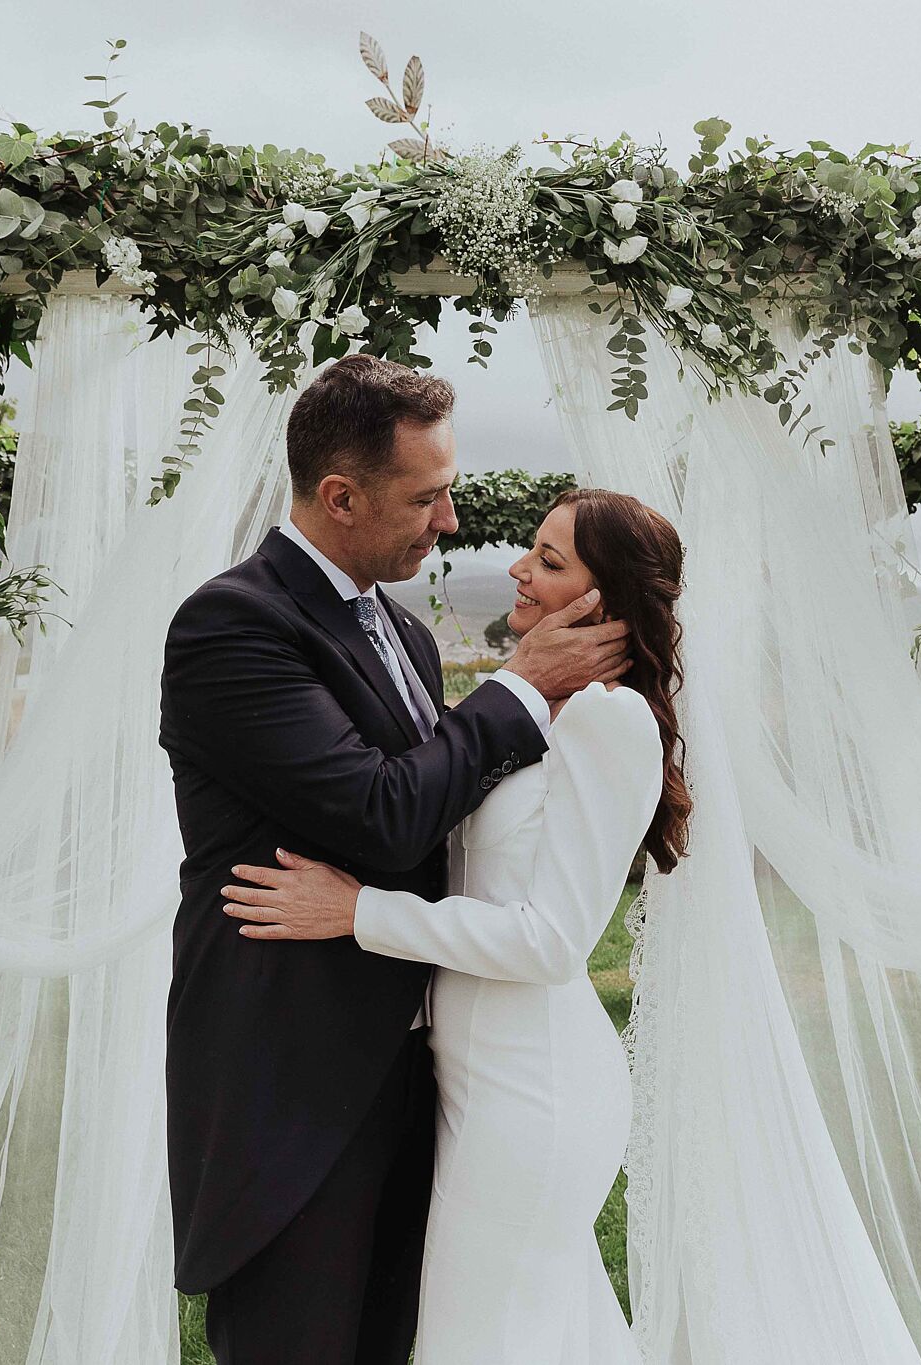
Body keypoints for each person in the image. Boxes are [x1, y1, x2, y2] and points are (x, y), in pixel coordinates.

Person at [157, 357, 630, 1365]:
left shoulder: (407, 640)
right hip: (294, 1086)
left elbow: (444, 814)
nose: (449, 522)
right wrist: (517, 690)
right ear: (340, 496)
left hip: (430, 1081)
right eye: (425, 498)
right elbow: (378, 817)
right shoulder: (233, 626)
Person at [223, 488, 688, 1364]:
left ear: (606, 600)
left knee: (477, 1342)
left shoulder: (610, 716)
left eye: (551, 562)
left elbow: (553, 939)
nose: (519, 567)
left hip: (533, 1087)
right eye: (531, 550)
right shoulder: (540, 710)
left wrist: (356, 912)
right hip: (474, 1079)